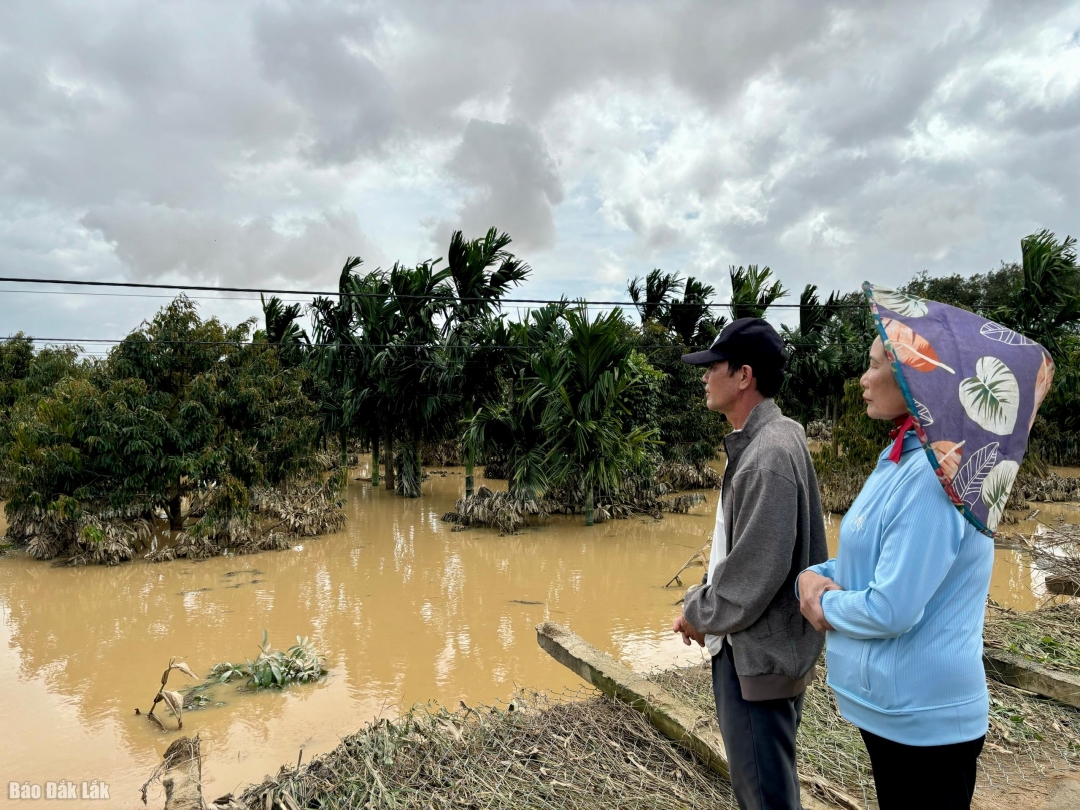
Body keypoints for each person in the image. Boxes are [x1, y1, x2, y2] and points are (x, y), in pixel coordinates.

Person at [797, 284, 1055, 810]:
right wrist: (815, 572)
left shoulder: (933, 477)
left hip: (924, 722)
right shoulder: (900, 458)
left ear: (919, 379)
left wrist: (819, 601)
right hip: (894, 712)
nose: (863, 380)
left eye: (875, 366)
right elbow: (872, 562)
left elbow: (891, 606)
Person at [673, 317, 828, 810]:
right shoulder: (776, 438)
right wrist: (706, 610)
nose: (704, 376)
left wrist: (697, 610)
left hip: (756, 660)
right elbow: (739, 557)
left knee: (764, 796)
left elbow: (752, 577)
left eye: (712, 366)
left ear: (744, 376)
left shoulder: (766, 456)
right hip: (761, 651)